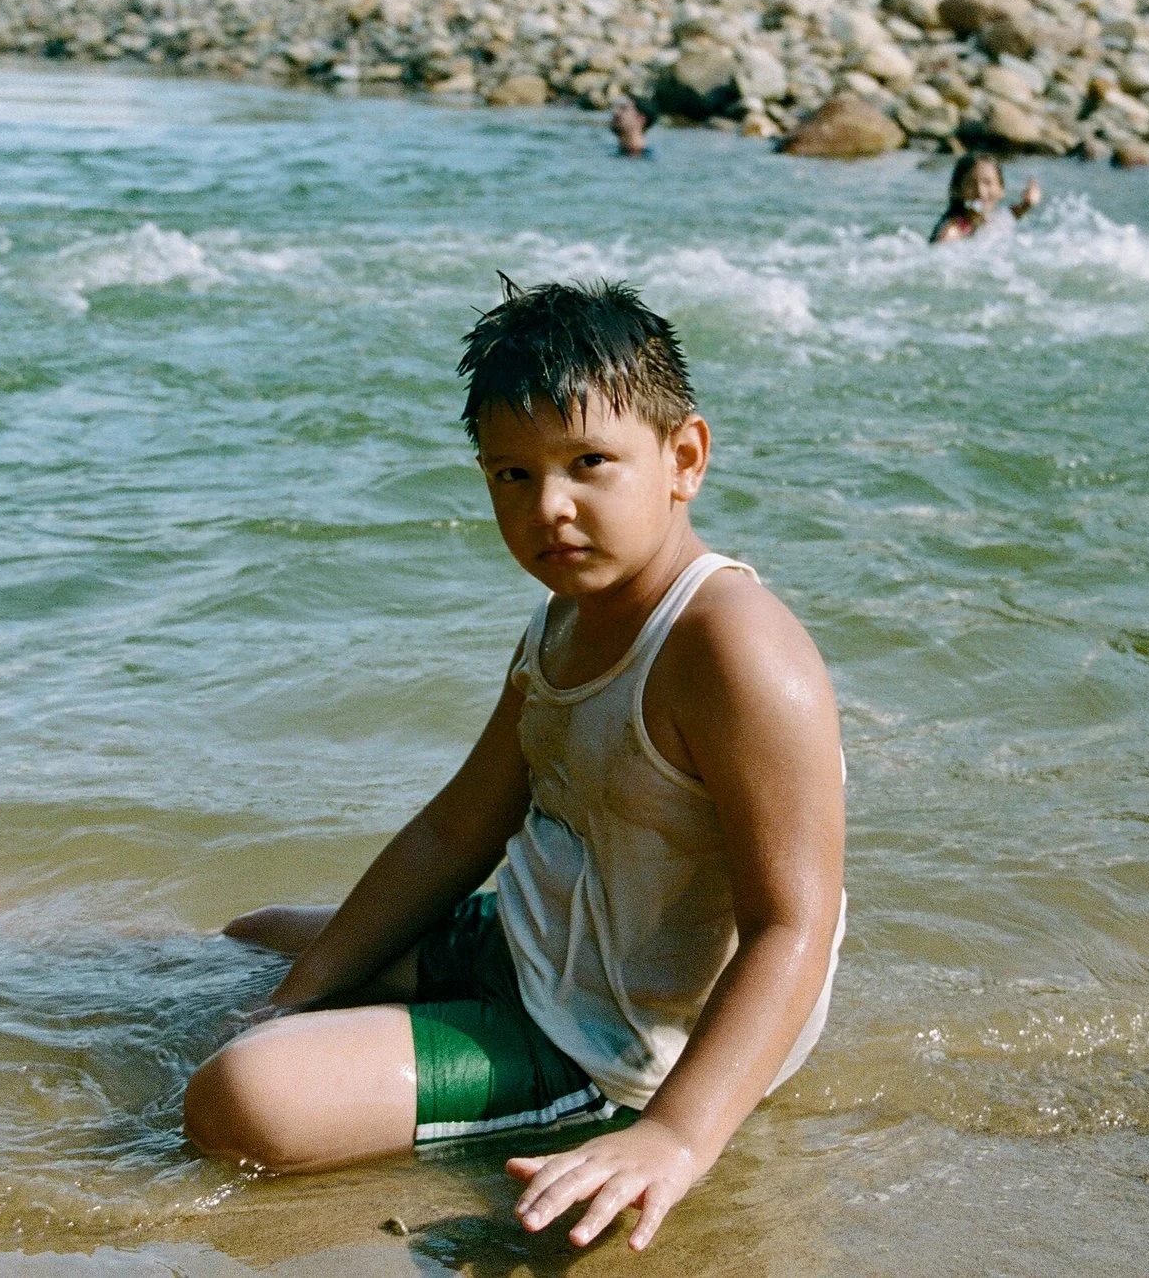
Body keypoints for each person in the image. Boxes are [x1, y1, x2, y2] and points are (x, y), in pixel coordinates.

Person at [182, 280, 846, 1253]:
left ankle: (570, 1102)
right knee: (258, 941)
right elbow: (457, 829)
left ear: (684, 457)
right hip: (533, 944)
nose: (550, 508)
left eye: (588, 463)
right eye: (512, 475)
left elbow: (794, 923)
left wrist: (673, 1133)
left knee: (241, 1095)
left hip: (613, 1043)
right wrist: (297, 995)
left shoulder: (732, 648)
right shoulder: (564, 620)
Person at [931, 153, 1041, 242]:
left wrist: (1027, 204)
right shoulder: (952, 233)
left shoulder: (995, 219)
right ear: (956, 190)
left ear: (1001, 190)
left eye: (988, 183)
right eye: (971, 184)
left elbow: (1011, 214)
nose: (981, 193)